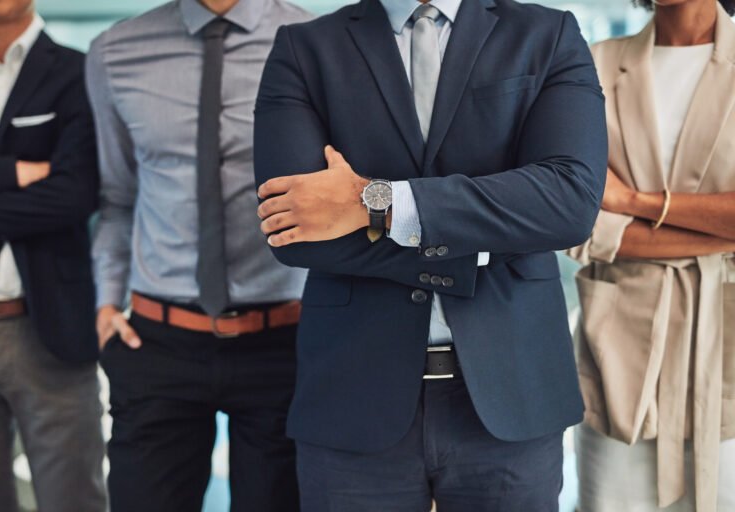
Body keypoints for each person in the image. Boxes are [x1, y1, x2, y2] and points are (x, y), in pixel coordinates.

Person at [254, 0, 607, 509]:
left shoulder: (547, 33)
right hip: (352, 397)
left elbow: (569, 202)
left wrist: (374, 202)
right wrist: (481, 249)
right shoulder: (305, 48)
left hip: (513, 393)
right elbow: (294, 228)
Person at [86, 0, 311, 510]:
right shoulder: (114, 52)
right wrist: (105, 304)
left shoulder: (314, 42)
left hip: (286, 342)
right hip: (157, 343)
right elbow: (118, 200)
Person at [567, 0, 735, 510]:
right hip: (618, 344)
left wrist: (634, 203)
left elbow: (609, 206)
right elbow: (576, 218)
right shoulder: (591, 64)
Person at [0, 0, 107, 511]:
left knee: (75, 500)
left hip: (50, 329)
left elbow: (75, 193)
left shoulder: (78, 71)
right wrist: (18, 172)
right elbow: (52, 189)